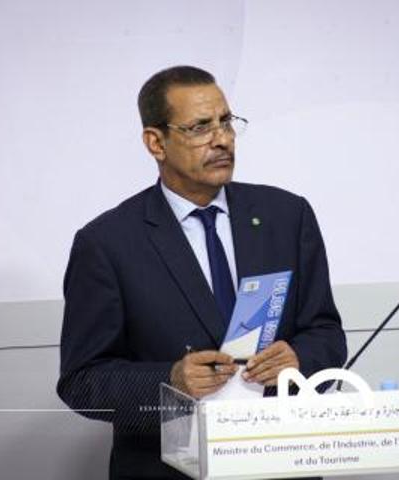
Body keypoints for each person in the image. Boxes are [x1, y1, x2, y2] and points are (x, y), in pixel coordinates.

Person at [57, 65, 347, 479]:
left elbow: (326, 333)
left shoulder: (287, 216)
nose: (222, 139)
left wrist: (299, 359)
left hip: (281, 463)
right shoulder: (107, 243)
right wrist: (170, 381)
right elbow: (82, 381)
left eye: (226, 122)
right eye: (200, 127)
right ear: (156, 142)